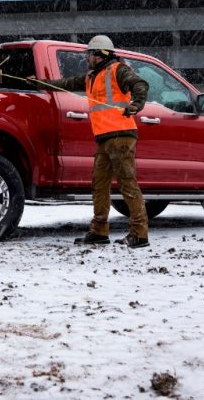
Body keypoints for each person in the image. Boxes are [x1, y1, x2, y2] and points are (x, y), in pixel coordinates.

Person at [40, 35, 151, 248]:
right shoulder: (92, 76)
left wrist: (136, 105)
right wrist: (41, 84)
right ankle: (99, 230)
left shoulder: (118, 70)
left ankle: (139, 234)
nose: (86, 58)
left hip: (121, 136)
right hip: (104, 138)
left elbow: (140, 84)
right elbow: (67, 83)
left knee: (128, 184)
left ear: (99, 55)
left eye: (89, 54)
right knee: (99, 185)